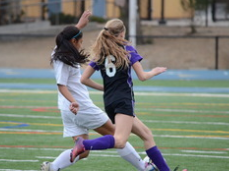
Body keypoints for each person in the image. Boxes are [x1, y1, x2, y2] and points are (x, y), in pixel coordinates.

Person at [41, 11, 156, 171]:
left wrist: (79, 26)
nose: (81, 45)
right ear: (73, 41)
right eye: (80, 42)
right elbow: (61, 85)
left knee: (83, 151)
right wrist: (74, 101)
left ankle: (53, 167)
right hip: (79, 107)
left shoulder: (58, 50)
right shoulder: (62, 60)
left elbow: (65, 38)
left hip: (66, 110)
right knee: (117, 136)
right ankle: (145, 168)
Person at [71, 18, 173, 171]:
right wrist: (154, 71)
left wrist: (104, 88)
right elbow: (142, 77)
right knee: (119, 141)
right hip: (123, 100)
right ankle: (84, 144)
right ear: (122, 33)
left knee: (146, 135)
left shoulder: (102, 52)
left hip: (110, 101)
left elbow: (83, 78)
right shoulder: (127, 48)